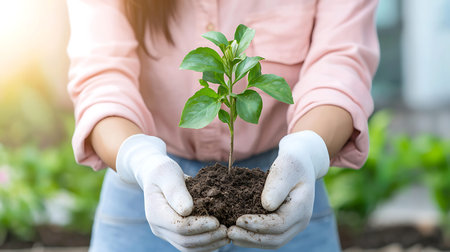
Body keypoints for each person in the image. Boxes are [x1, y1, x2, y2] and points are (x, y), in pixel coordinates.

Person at [66, 0, 379, 251]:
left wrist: (308, 151)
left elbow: (340, 63)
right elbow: (101, 77)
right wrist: (139, 159)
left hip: (287, 184)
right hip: (145, 188)